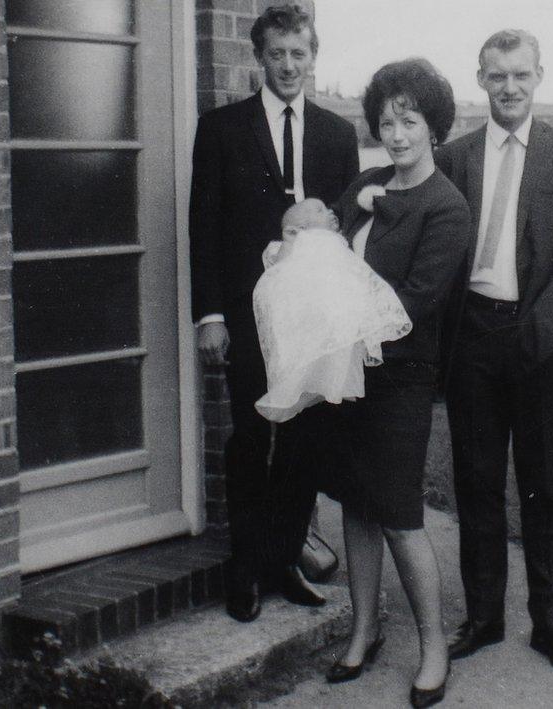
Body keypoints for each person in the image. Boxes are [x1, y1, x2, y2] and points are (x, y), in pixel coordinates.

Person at [436, 29, 553, 676]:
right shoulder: (453, 159)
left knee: (547, 489)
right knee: (477, 484)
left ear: (540, 77)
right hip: (473, 342)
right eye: (497, 76)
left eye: (521, 76)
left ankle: (551, 626)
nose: (510, 88)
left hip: (537, 343)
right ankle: (482, 618)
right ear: (479, 79)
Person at [299, 58, 470, 709]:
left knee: (399, 514)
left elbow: (415, 302)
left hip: (399, 379)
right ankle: (364, 628)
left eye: (410, 120)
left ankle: (433, 647)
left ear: (433, 125)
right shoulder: (368, 182)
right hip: (347, 372)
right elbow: (325, 250)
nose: (396, 133)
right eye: (387, 121)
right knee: (356, 505)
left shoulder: (445, 208)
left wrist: (344, 322)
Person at [188, 4, 359, 623]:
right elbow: (202, 228)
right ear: (259, 57)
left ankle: (285, 560)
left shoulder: (339, 137)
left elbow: (345, 230)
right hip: (245, 313)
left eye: (300, 53)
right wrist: (209, 314)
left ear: (314, 58)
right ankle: (245, 568)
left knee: (306, 441)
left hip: (311, 318)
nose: (290, 66)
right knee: (252, 436)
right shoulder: (222, 129)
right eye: (278, 54)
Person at [252, 198, 411, 422]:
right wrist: (289, 241)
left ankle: (331, 385)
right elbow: (280, 274)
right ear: (298, 230)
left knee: (337, 362)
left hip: (336, 318)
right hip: (310, 319)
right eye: (319, 210)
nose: (329, 212)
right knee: (309, 358)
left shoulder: (337, 243)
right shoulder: (300, 242)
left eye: (327, 208)